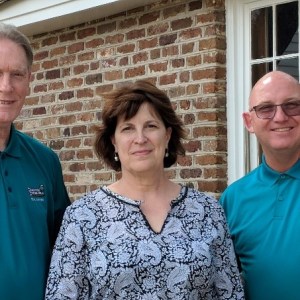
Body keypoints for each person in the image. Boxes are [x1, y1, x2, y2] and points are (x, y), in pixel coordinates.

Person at [45, 79, 244, 299]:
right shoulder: (83, 216)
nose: (140, 139)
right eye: (128, 128)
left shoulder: (207, 212)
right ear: (114, 141)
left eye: (151, 126)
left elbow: (230, 293)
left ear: (167, 135)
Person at [0, 22, 70, 300]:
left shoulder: (45, 162)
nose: (6, 86)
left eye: (16, 74)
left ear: (29, 79)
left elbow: (66, 250)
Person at [220, 70, 300, 300]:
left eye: (292, 105)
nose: (280, 117)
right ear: (249, 121)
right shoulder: (233, 199)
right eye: (266, 108)